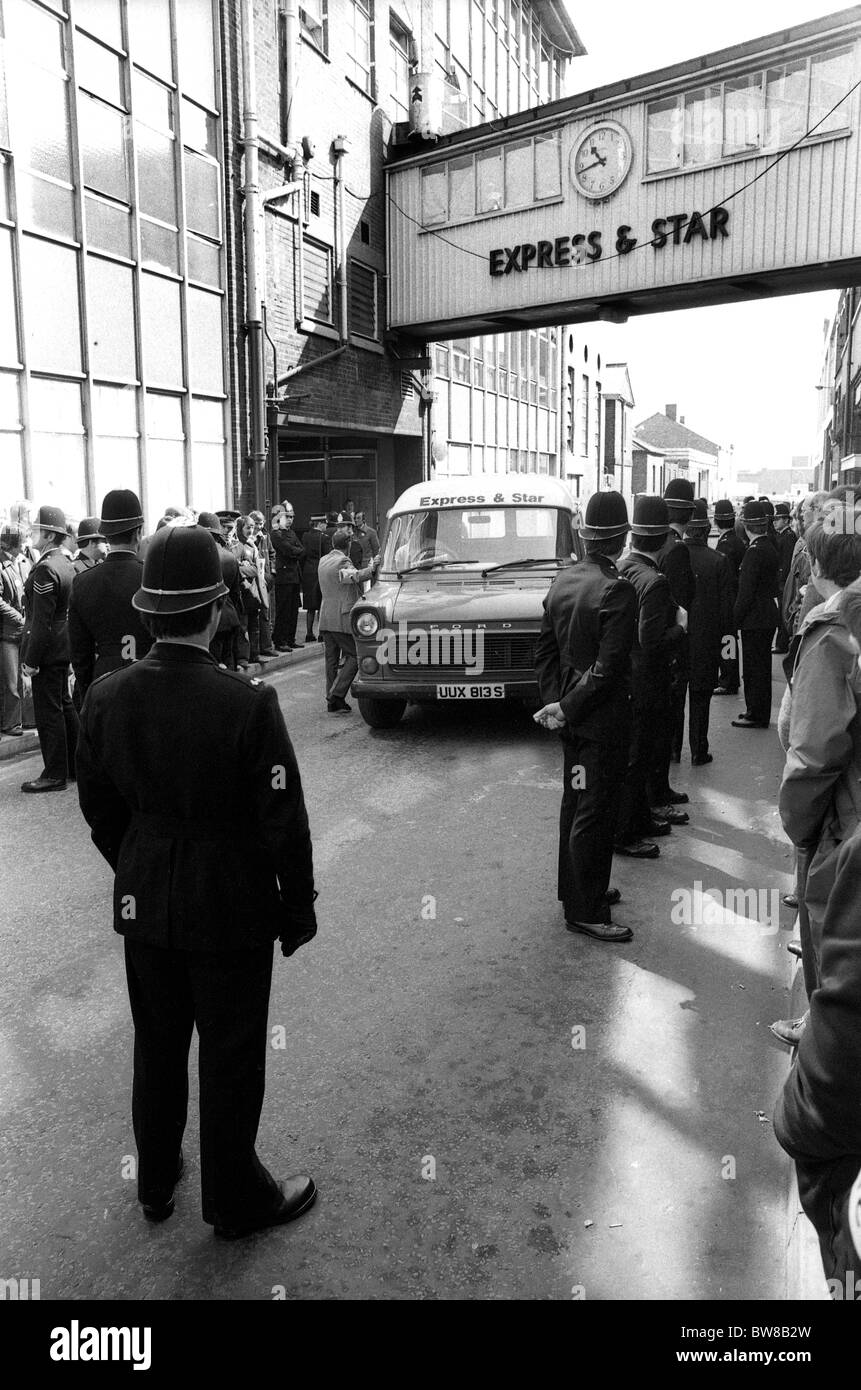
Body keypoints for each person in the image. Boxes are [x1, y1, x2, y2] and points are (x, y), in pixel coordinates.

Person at [75, 524, 318, 1237]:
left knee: (157, 1045)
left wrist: (138, 862)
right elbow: (284, 819)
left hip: (145, 898)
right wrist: (296, 906)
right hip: (231, 906)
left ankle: (155, 1182)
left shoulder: (104, 696)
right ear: (217, 611)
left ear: (148, 615)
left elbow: (98, 806)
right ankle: (236, 1200)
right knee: (231, 1053)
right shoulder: (247, 703)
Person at [533, 490, 637, 943]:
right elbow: (608, 670)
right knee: (594, 810)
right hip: (600, 720)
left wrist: (557, 704)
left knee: (575, 803)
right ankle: (585, 909)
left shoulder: (563, 579)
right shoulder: (618, 589)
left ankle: (577, 890)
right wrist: (569, 707)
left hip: (571, 718)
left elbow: (545, 651)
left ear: (588, 536)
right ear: (623, 537)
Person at [774, 509, 861, 1046]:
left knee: (833, 940)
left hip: (842, 818)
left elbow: (815, 752)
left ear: (820, 559)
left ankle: (822, 1047)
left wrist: (800, 825)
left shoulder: (834, 631)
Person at [616, 496, 686, 859]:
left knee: (634, 755)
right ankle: (626, 832)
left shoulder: (622, 567)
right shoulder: (655, 582)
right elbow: (652, 640)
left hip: (622, 676)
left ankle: (640, 819)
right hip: (646, 681)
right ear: (662, 540)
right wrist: (680, 626)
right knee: (638, 757)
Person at [68, 489, 153, 708]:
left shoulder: (83, 582)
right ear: (138, 533)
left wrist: (89, 691)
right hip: (150, 677)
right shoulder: (152, 577)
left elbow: (80, 653)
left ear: (105, 535)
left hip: (103, 681)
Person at [20, 504, 78, 792]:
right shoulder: (65, 564)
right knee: (64, 706)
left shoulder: (45, 568)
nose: (33, 533)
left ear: (50, 535)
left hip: (47, 648)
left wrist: (31, 660)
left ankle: (54, 774)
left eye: (38, 529)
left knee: (49, 712)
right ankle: (74, 766)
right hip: (62, 646)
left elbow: (40, 622)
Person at [648, 479, 696, 820]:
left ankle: (660, 788)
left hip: (655, 641)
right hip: (670, 642)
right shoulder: (677, 548)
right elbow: (680, 598)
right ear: (690, 514)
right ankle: (658, 792)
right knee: (664, 721)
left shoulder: (659, 542)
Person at [683, 499, 733, 765]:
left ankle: (670, 751)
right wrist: (727, 652)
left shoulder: (672, 558)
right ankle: (698, 750)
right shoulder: (718, 561)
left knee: (674, 700)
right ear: (707, 528)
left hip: (678, 640)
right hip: (706, 641)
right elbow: (726, 614)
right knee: (701, 700)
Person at [317, 527, 379, 713]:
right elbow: (355, 576)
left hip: (326, 616)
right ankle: (335, 694)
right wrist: (374, 567)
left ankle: (332, 698)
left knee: (331, 660)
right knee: (354, 655)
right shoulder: (342, 561)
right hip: (341, 616)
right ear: (349, 545)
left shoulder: (323, 560)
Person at [731, 499, 780, 730]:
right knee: (762, 666)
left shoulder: (753, 552)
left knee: (753, 668)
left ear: (747, 525)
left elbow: (746, 592)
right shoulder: (770, 546)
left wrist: (734, 618)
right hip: (768, 614)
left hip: (754, 618)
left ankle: (755, 713)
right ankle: (759, 711)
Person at [197, 512, 243, 668]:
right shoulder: (229, 556)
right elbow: (236, 592)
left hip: (209, 620)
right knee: (228, 661)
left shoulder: (200, 557)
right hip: (230, 616)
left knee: (213, 665)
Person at [713, 499, 746, 695]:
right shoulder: (736, 542)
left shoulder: (724, 545)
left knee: (727, 641)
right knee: (730, 639)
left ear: (716, 521)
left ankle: (728, 679)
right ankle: (730, 677)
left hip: (727, 599)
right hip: (734, 596)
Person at [0, 524, 26, 737]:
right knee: (11, 681)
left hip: (20, 629)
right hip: (8, 632)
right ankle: (10, 723)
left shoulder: (21, 562)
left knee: (20, 678)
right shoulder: (3, 564)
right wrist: (19, 617)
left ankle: (21, 720)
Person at [232, 515, 267, 665]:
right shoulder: (236, 546)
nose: (251, 530)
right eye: (248, 527)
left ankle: (255, 653)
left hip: (253, 591)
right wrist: (248, 568)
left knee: (255, 625)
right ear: (240, 529)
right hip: (242, 592)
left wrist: (247, 568)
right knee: (243, 626)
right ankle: (243, 657)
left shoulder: (252, 546)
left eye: (252, 527)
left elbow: (258, 569)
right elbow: (235, 569)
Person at [270, 504, 305, 652]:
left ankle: (290, 639)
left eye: (291, 517)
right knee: (283, 610)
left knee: (293, 610)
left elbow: (302, 550)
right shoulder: (276, 534)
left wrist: (294, 552)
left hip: (294, 576)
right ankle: (280, 640)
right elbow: (287, 549)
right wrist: (295, 551)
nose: (290, 520)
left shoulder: (291, 533)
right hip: (283, 577)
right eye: (287, 517)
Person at [249, 510, 275, 657]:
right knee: (255, 616)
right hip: (254, 581)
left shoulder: (266, 536)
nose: (259, 527)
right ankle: (256, 649)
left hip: (265, 580)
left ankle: (266, 646)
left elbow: (272, 553)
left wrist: (272, 572)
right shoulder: (249, 539)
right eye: (256, 524)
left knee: (266, 613)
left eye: (261, 523)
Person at [772, 502, 797, 654]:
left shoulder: (788, 537)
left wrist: (781, 582)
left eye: (778, 519)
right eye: (774, 519)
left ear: (787, 520)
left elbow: (786, 562)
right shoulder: (781, 535)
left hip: (784, 581)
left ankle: (782, 643)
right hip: (780, 580)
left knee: (783, 612)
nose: (775, 522)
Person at [301, 517, 327, 643]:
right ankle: (321, 633)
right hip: (320, 570)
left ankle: (309, 633)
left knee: (310, 605)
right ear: (320, 524)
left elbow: (302, 554)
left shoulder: (305, 536)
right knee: (321, 603)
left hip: (308, 571)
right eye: (324, 523)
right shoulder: (324, 538)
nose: (326, 526)